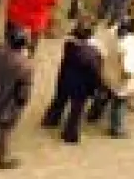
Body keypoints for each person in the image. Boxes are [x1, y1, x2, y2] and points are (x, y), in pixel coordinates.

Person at [42, 14, 103, 144]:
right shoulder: (91, 53)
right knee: (76, 111)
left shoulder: (69, 43)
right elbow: (94, 73)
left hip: (65, 77)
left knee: (59, 100)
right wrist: (95, 87)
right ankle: (70, 134)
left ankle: (51, 120)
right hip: (80, 87)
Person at [87, 15, 134, 137]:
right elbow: (128, 69)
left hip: (107, 72)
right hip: (120, 80)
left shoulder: (112, 33)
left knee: (103, 95)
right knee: (119, 104)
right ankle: (116, 129)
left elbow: (101, 48)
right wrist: (130, 80)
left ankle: (93, 115)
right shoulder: (130, 45)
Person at [0, 26, 34, 169]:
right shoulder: (25, 65)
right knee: (6, 129)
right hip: (10, 100)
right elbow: (24, 89)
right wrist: (21, 103)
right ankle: (2, 158)